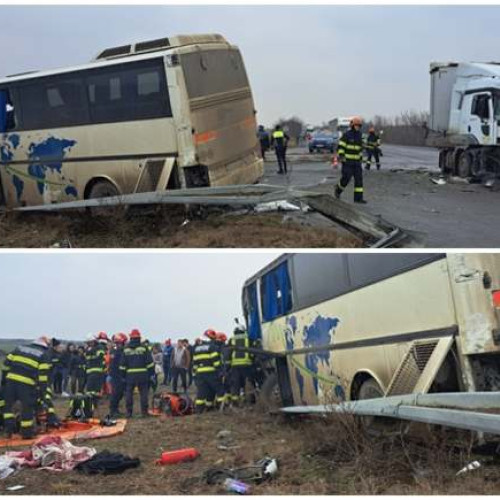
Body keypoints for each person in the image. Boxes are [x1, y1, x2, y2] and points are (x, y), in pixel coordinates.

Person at [2, 337, 53, 439]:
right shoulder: (43, 354)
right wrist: (42, 393)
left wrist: (4, 381)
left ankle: (8, 431)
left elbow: (6, 365)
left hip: (10, 382)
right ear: (45, 346)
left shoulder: (19, 348)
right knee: (27, 408)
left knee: (8, 407)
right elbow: (43, 377)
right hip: (26, 384)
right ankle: (26, 433)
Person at [120, 329, 154, 418]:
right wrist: (151, 374)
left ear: (130, 338)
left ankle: (129, 413)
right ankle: (144, 412)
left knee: (129, 394)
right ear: (139, 338)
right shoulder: (144, 348)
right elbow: (150, 363)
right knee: (143, 394)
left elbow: (122, 365)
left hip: (130, 376)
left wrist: (122, 376)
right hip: (143, 375)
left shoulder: (126, 349)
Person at [335, 116, 366, 204]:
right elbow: (341, 146)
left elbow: (361, 147)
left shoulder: (360, 135)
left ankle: (358, 199)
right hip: (347, 162)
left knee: (359, 180)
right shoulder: (347, 135)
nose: (357, 127)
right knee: (346, 178)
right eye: (356, 125)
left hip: (357, 163)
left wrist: (363, 147)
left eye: (359, 126)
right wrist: (341, 156)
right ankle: (338, 190)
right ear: (352, 125)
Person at [192, 329, 225, 413]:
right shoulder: (212, 347)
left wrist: (195, 375)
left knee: (202, 393)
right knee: (220, 390)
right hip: (211, 373)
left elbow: (195, 363)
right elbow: (216, 362)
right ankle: (220, 407)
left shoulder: (196, 349)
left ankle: (199, 410)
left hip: (200, 374)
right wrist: (221, 371)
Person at [228, 324, 255, 406]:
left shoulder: (231, 339)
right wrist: (252, 359)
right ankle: (250, 400)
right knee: (248, 382)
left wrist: (228, 365)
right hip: (246, 364)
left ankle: (235, 402)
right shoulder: (248, 338)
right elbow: (253, 350)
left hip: (235, 366)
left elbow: (228, 353)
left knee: (236, 384)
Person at [84, 333, 107, 406]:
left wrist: (90, 351)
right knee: (90, 389)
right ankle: (91, 403)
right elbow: (87, 359)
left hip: (97, 371)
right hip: (90, 372)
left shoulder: (99, 347)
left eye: (89, 342)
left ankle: (94, 403)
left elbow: (100, 356)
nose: (88, 344)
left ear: (93, 341)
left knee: (95, 389)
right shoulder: (88, 349)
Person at [109, 333, 127, 418]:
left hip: (119, 375)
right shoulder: (116, 351)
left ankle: (115, 409)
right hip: (116, 375)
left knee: (119, 393)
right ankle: (113, 410)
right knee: (116, 393)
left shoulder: (117, 350)